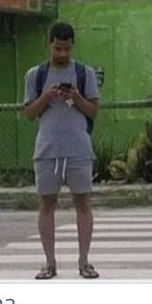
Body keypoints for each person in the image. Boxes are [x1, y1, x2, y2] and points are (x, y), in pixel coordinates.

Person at [24, 22, 100, 279]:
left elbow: (93, 111)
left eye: (66, 49)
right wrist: (46, 96)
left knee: (83, 203)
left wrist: (76, 98)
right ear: (50, 45)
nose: (62, 54)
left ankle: (84, 261)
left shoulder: (84, 73)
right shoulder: (35, 75)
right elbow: (29, 114)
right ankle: (49, 263)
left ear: (72, 46)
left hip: (78, 148)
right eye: (57, 48)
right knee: (46, 204)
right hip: (47, 149)